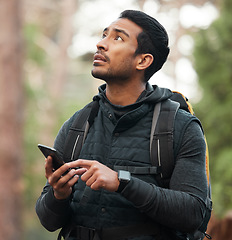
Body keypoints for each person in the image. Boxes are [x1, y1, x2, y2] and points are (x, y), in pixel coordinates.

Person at [35, 10, 208, 240]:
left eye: (117, 38)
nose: (100, 44)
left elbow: (194, 214)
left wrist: (121, 182)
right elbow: (48, 221)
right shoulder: (77, 125)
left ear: (143, 60)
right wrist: (58, 194)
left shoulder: (180, 126)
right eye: (104, 35)